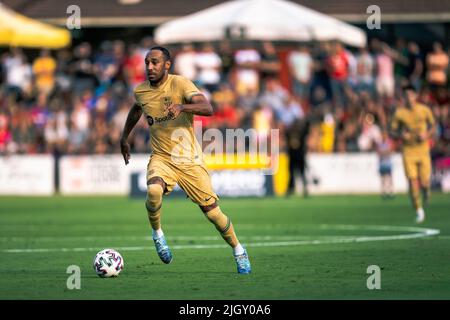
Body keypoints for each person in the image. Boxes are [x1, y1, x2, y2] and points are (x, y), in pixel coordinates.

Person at [120, 46, 251, 274]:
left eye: (155, 62)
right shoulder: (141, 91)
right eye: (147, 62)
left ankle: (239, 250)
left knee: (212, 213)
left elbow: (207, 107)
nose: (149, 67)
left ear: (167, 65)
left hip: (189, 159)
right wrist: (124, 137)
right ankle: (158, 234)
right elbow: (136, 110)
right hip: (162, 157)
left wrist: (182, 106)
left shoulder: (181, 84)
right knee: (153, 190)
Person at [390, 84, 435, 223]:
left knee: (425, 181)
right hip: (408, 151)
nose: (408, 98)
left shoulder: (424, 110)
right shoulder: (400, 113)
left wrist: (426, 135)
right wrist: (400, 135)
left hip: (423, 150)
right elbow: (392, 131)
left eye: (410, 95)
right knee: (412, 181)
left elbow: (433, 126)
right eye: (406, 95)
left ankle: (426, 191)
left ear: (415, 96)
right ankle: (418, 209)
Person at [377, 130, 394, 199]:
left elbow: (389, 152)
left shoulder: (388, 143)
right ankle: (383, 192)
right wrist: (385, 152)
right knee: (383, 179)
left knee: (390, 178)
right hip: (382, 164)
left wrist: (384, 152)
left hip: (388, 163)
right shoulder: (380, 144)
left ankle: (391, 192)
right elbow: (379, 153)